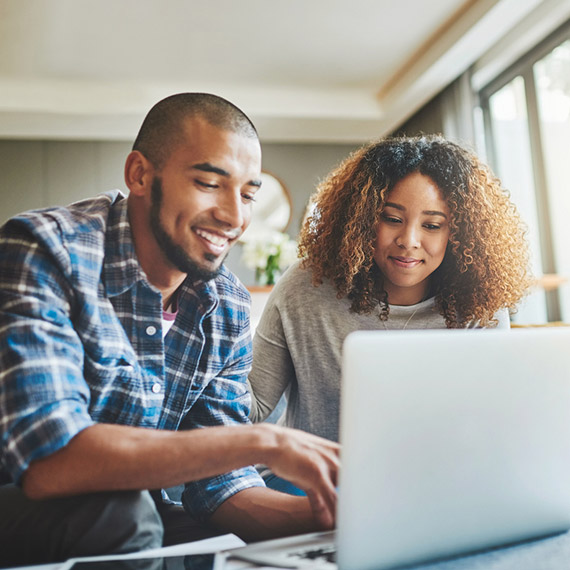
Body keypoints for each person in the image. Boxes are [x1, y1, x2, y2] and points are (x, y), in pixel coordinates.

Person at [0, 93, 340, 566]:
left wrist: (341, 518)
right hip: (22, 500)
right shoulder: (45, 251)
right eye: (208, 183)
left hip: (131, 515)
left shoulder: (227, 305)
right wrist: (264, 441)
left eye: (247, 194)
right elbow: (48, 460)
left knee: (182, 525)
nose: (235, 217)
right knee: (127, 513)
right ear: (139, 174)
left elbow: (220, 489)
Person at [248, 134, 531, 494]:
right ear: (364, 217)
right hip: (316, 485)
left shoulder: (478, 305)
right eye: (392, 218)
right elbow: (252, 405)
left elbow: (492, 422)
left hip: (437, 484)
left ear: (457, 233)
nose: (409, 240)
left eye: (432, 225)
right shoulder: (307, 287)